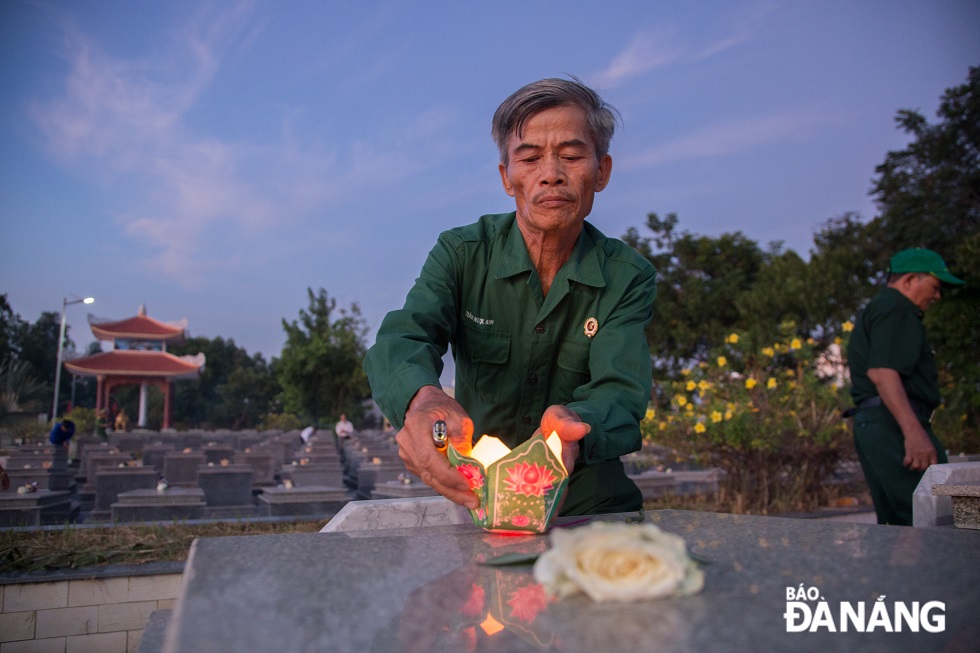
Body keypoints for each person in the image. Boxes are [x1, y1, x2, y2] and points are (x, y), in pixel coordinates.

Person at [364, 77, 657, 516]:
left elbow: (620, 391)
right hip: (480, 499)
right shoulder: (461, 253)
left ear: (602, 172)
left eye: (572, 155)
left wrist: (573, 429)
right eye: (530, 157)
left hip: (589, 503)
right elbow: (406, 336)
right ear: (507, 177)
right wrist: (423, 400)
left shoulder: (626, 277)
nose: (551, 173)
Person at [846, 247, 964, 525]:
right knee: (939, 516)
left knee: (901, 525)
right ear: (910, 280)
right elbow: (883, 373)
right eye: (935, 286)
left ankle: (902, 570)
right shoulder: (897, 307)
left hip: (876, 422)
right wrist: (914, 434)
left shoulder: (879, 308)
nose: (937, 296)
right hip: (893, 422)